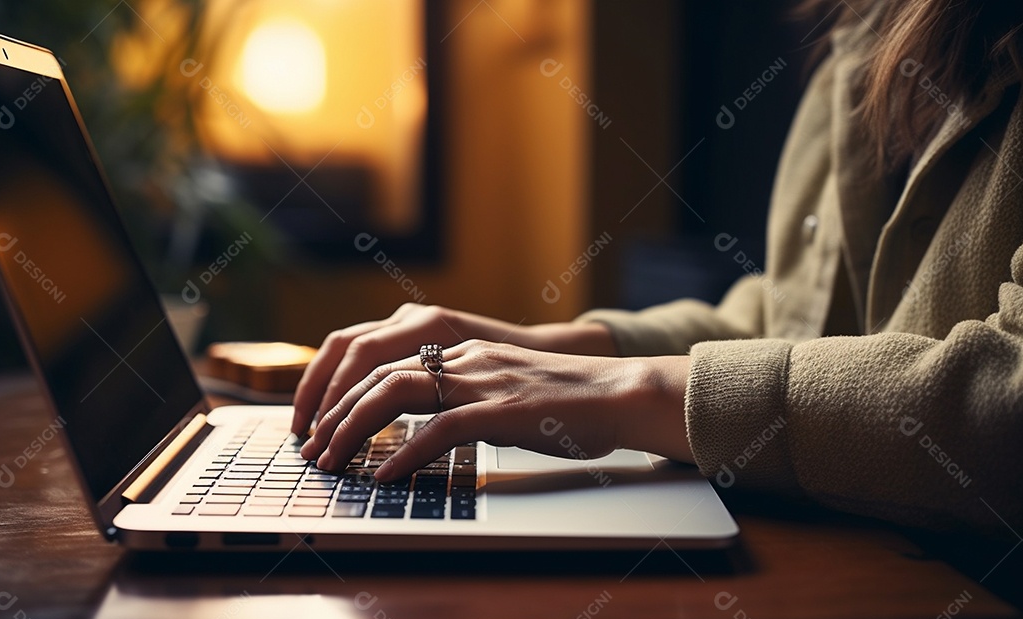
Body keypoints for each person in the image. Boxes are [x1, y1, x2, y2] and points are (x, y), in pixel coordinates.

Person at [293, 0, 1023, 538]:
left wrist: (629, 390)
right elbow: (792, 320)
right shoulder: (862, 41)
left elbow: (1007, 397)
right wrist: (546, 348)